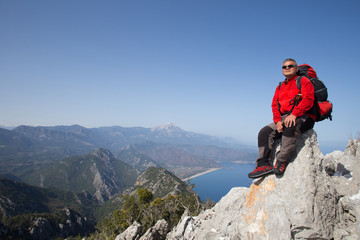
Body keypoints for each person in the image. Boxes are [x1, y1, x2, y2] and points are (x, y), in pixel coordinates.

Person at [248, 58, 316, 179]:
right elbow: (275, 105)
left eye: (290, 66)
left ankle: (281, 160)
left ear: (296, 68)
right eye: (284, 67)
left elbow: (308, 99)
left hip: (305, 116)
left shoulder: (303, 81)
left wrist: (294, 114)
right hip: (284, 117)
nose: (287, 68)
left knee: (291, 125)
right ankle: (263, 164)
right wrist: (278, 121)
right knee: (264, 132)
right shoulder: (280, 86)